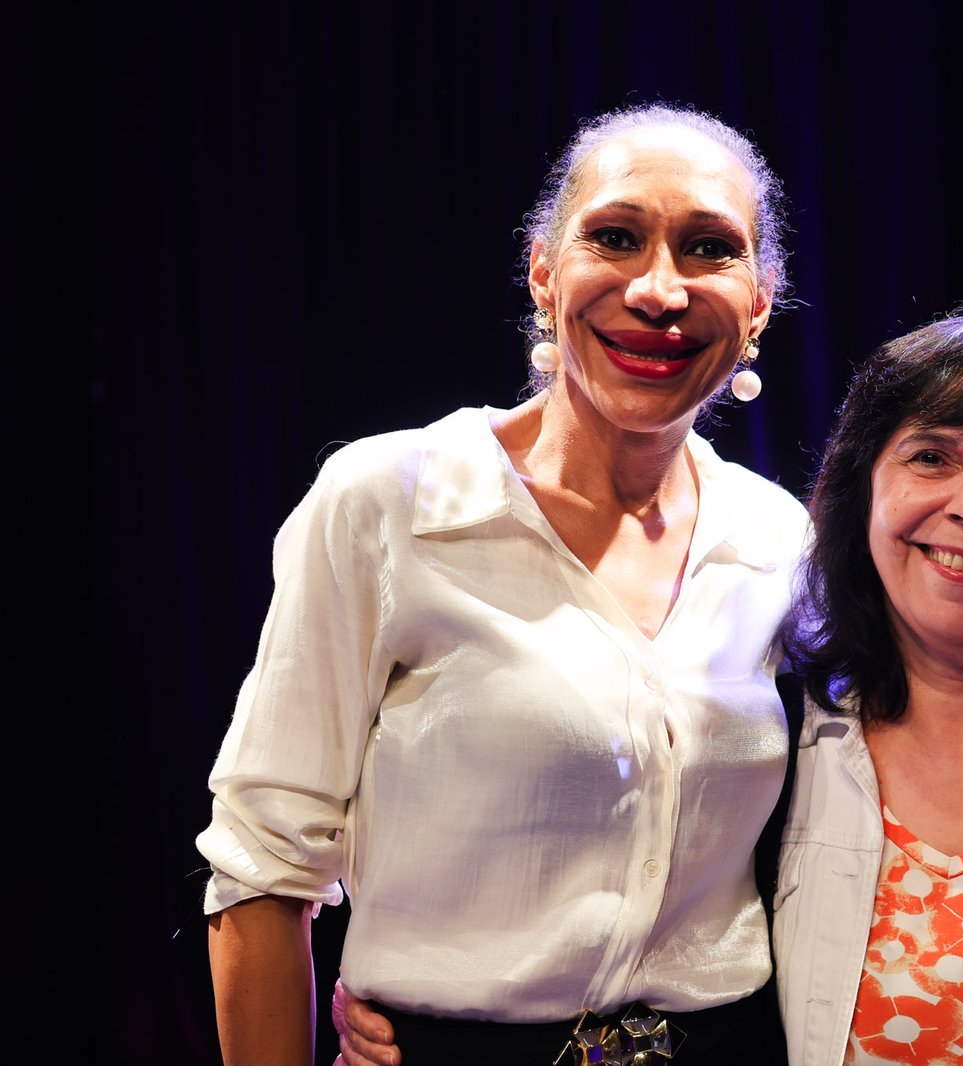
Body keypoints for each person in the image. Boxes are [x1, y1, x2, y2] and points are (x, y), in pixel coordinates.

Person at [337, 300, 963, 1064]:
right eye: (931, 457)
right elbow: (580, 873)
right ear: (858, 496)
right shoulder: (769, 756)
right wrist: (414, 1005)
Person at [197, 101, 808, 1065]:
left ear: (760, 300)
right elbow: (263, 868)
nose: (659, 289)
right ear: (543, 271)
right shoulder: (389, 501)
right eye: (615, 237)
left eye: (708, 249)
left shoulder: (781, 539)